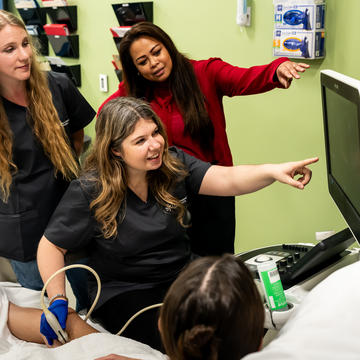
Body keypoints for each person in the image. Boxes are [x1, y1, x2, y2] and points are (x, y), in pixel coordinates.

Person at [37, 97, 317, 350]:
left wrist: (273, 171)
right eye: (140, 140)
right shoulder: (90, 190)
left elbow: (227, 179)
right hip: (126, 293)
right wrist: (59, 298)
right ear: (115, 151)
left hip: (183, 277)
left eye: (155, 133)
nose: (155, 144)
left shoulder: (172, 165)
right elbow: (51, 246)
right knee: (187, 342)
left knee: (243, 323)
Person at [99, 21, 310, 257]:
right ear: (136, 69)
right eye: (142, 62)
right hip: (162, 194)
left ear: (168, 46)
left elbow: (245, 77)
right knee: (170, 268)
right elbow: (106, 116)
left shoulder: (204, 73)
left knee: (215, 268)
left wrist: (277, 67)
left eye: (156, 52)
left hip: (213, 190)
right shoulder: (135, 93)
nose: (154, 63)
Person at [0, 10, 95, 310]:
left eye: (25, 44)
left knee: (92, 298)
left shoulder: (57, 86)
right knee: (45, 308)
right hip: (23, 226)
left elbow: (77, 132)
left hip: (70, 210)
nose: (24, 55)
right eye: (10, 49)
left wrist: (68, 162)